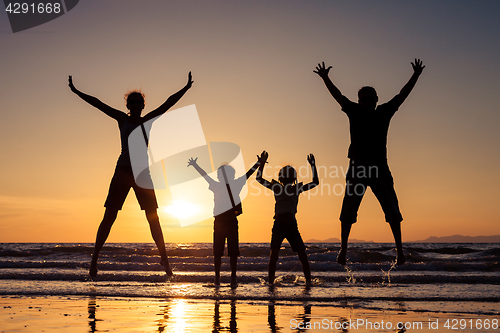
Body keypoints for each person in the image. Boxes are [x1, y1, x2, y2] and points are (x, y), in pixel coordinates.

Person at [68, 72, 193, 277]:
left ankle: (165, 261)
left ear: (143, 105)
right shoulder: (121, 119)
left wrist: (186, 87)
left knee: (153, 218)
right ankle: (94, 261)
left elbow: (168, 103)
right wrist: (75, 91)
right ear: (128, 106)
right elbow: (98, 103)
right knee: (110, 216)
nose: (135, 105)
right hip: (123, 171)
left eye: (138, 102)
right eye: (132, 102)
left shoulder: (148, 120)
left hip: (142, 173)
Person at [314, 59, 425, 266]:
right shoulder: (353, 111)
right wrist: (326, 78)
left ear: (376, 100)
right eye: (363, 99)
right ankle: (343, 250)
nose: (366, 102)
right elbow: (338, 96)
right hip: (357, 169)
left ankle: (400, 251)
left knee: (392, 210)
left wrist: (416, 75)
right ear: (359, 101)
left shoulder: (383, 112)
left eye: (370, 99)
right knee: (348, 211)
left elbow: (402, 96)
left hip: (379, 169)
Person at [187, 155, 262, 286]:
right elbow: (248, 173)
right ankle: (230, 278)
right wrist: (258, 163)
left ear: (221, 176)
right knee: (229, 252)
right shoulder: (235, 183)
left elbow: (205, 176)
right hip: (228, 221)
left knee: (220, 252)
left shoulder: (217, 185)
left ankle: (220, 278)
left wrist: (195, 165)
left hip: (221, 221)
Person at [256, 151, 319, 285]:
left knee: (302, 255)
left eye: (290, 174)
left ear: (293, 178)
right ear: (281, 177)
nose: (288, 176)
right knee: (274, 256)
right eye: (286, 174)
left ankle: (308, 282)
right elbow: (259, 179)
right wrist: (261, 163)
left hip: (291, 225)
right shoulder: (277, 187)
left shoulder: (296, 188)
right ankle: (271, 283)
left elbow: (315, 182)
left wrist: (313, 166)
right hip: (278, 225)